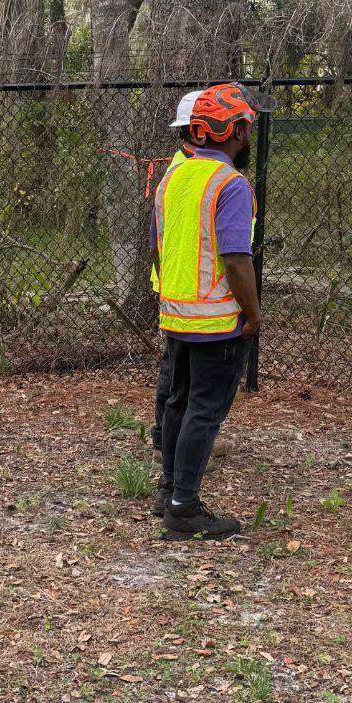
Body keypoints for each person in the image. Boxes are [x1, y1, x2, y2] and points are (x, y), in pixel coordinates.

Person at [151, 81, 266, 541]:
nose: (247, 136)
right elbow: (236, 259)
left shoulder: (173, 179)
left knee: (178, 403)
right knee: (204, 411)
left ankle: (168, 491)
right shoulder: (230, 185)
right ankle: (183, 510)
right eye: (246, 128)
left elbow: (162, 248)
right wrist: (252, 314)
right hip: (218, 322)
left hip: (177, 314)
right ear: (235, 130)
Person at [150, 90, 200, 457]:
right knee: (178, 368)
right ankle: (167, 438)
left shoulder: (188, 169)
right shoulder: (184, 173)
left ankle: (169, 437)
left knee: (178, 365)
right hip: (181, 283)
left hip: (181, 281)